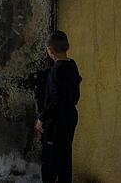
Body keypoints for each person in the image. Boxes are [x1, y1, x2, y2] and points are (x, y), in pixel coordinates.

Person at [34, 31, 82, 183]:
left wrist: (42, 118)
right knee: (64, 159)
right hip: (70, 116)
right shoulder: (72, 65)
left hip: (57, 120)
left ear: (50, 49)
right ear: (67, 46)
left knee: (50, 163)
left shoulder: (56, 70)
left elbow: (56, 100)